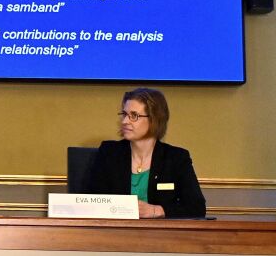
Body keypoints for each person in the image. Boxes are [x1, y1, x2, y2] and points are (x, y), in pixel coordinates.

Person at [86, 87, 206, 219]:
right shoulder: (109, 153)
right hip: (115, 233)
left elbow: (197, 207)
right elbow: (92, 202)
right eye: (124, 114)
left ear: (154, 119)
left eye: (134, 116)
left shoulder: (176, 158)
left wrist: (156, 210)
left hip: (161, 236)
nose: (125, 121)